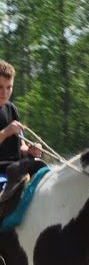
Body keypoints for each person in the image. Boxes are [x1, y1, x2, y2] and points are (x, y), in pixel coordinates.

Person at [0, 60, 45, 202]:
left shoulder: (12, 109)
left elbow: (21, 145)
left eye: (9, 87)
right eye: (0, 87)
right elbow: (7, 134)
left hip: (19, 166)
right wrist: (6, 132)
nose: (5, 92)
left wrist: (31, 150)